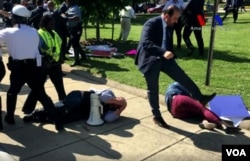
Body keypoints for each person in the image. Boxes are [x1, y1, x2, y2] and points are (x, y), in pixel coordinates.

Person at [135, 5, 216, 129]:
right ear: (166, 16)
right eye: (175, 18)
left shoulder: (169, 25)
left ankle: (200, 98)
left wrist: (171, 54)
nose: (176, 21)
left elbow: (167, 41)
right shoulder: (151, 23)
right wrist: (163, 52)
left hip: (165, 59)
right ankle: (157, 116)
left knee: (182, 76)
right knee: (153, 89)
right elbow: (146, 43)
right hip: (150, 60)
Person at [0, 5, 63, 131]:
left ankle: (10, 117)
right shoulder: (34, 31)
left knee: (13, 92)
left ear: (15, 18)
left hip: (18, 68)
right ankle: (57, 121)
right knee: (41, 94)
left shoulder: (8, 32)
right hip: (34, 67)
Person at [22, 13, 66, 115]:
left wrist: (61, 57)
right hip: (44, 65)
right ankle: (28, 108)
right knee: (38, 87)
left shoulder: (55, 33)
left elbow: (59, 46)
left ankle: (64, 103)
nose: (53, 25)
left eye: (53, 23)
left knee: (59, 85)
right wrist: (44, 61)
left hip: (55, 64)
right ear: (45, 23)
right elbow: (36, 50)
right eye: (51, 23)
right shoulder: (39, 34)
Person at [165, 82, 241, 133]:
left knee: (199, 113)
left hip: (175, 112)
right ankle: (225, 125)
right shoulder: (177, 84)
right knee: (202, 109)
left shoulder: (170, 89)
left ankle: (206, 123)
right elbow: (191, 96)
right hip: (178, 100)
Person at [23, 89, 127, 125]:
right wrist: (116, 100)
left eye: (119, 103)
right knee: (66, 107)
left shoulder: (111, 111)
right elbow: (104, 97)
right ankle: (38, 112)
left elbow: (108, 119)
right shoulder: (109, 93)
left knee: (63, 120)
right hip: (78, 97)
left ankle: (37, 117)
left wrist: (121, 108)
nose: (117, 101)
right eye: (118, 99)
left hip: (81, 112)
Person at [61, 0, 86, 67]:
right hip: (72, 29)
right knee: (75, 43)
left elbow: (77, 18)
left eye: (67, 2)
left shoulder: (75, 8)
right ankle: (83, 56)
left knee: (74, 43)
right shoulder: (70, 8)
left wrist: (68, 19)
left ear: (70, 2)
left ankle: (77, 60)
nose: (66, 3)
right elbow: (64, 14)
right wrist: (63, 15)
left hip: (77, 29)